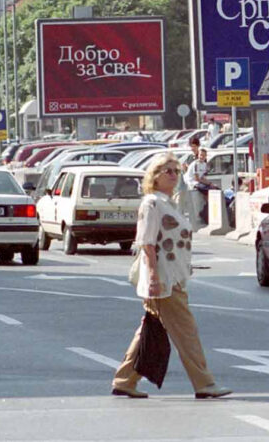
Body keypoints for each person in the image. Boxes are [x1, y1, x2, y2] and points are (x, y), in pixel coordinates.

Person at [112, 154, 231, 400]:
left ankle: (124, 380)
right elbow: (146, 243)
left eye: (176, 170)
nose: (173, 175)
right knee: (186, 332)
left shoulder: (167, 202)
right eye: (167, 171)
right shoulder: (152, 204)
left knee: (150, 328)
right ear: (154, 177)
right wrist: (155, 276)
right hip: (163, 280)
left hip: (172, 277)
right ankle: (204, 383)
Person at [185, 148, 214, 223]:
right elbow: (197, 179)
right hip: (193, 183)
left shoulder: (204, 164)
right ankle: (203, 212)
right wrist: (208, 183)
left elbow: (202, 177)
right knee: (206, 191)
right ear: (198, 155)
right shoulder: (195, 164)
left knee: (214, 189)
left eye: (203, 155)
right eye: (201, 155)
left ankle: (207, 210)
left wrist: (210, 183)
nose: (202, 157)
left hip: (199, 183)